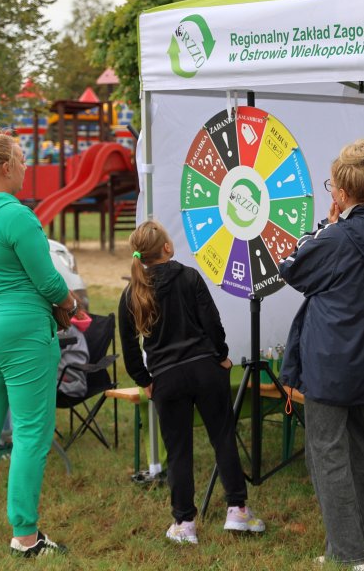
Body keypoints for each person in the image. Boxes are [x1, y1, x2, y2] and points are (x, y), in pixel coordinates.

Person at [279, 139, 364, 570]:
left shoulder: (336, 237)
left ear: (340, 193)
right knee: (363, 450)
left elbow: (291, 266)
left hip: (331, 362)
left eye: (330, 187)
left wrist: (325, 225)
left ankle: (347, 553)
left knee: (327, 454)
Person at [0, 127, 77, 557]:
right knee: (30, 433)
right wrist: (70, 301)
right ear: (5, 167)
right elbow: (48, 281)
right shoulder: (16, 216)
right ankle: (25, 536)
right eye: (23, 160)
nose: (26, 167)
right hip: (21, 335)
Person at [118, 220, 263, 545]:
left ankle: (184, 524)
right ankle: (238, 511)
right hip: (205, 370)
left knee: (178, 450)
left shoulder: (131, 293)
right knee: (223, 438)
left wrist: (144, 380)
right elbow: (212, 322)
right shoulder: (189, 277)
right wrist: (221, 355)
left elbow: (129, 347)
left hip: (166, 380)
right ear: (167, 248)